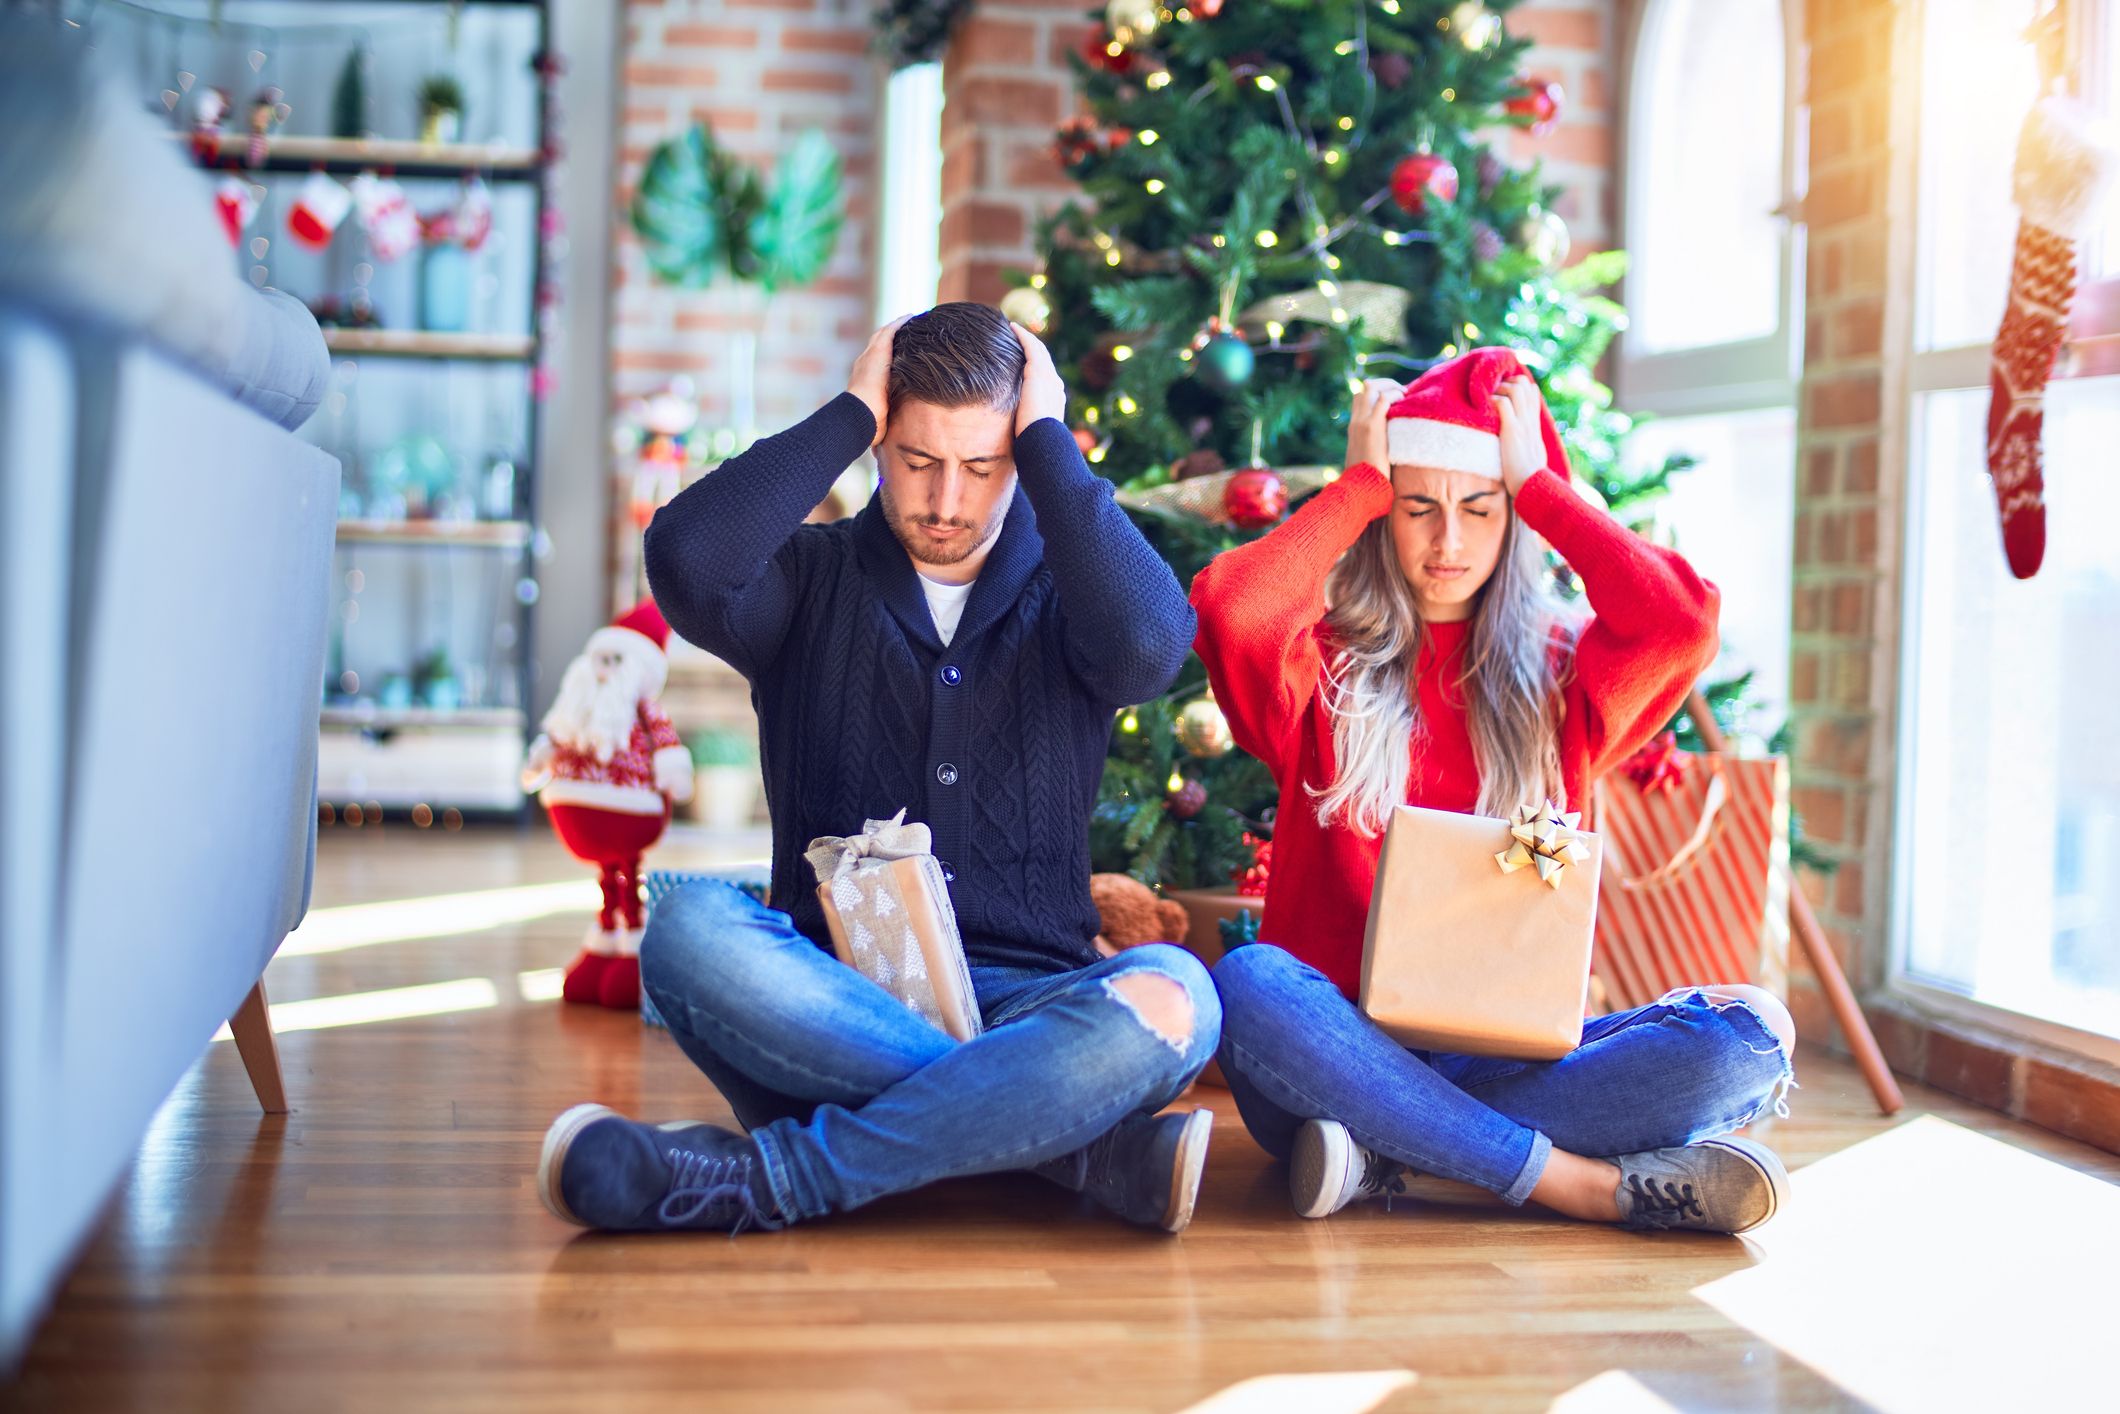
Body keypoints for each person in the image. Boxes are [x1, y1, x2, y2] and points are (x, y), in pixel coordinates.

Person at [535, 302, 1220, 1236]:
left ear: (1019, 456)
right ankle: (1072, 1147)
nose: (947, 501)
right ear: (880, 445)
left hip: (1033, 993)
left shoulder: (1073, 596)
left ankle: (775, 1178)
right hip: (831, 997)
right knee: (688, 928)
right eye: (915, 459)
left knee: (1180, 995)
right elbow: (687, 560)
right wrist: (850, 411)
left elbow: (1153, 648)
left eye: (983, 467)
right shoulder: (806, 578)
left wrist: (1053, 442)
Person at [1192, 348, 1797, 1235]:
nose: (1449, 543)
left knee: (1750, 1038)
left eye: (1482, 509)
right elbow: (1229, 608)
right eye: (1416, 508)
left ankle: (1397, 1154)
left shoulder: (1565, 680)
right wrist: (1357, 483)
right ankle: (1571, 1183)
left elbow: (1682, 622)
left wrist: (1549, 491)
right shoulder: (1318, 665)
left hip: (1506, 1063)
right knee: (1248, 984)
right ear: (1384, 514)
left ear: (1514, 517)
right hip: (1336, 1048)